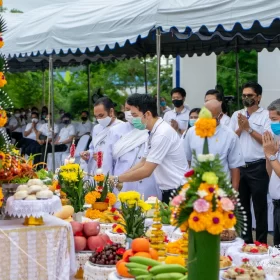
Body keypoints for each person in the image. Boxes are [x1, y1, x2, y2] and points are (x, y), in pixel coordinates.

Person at [109, 94, 188, 204]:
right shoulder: (152, 132)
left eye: (135, 115)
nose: (132, 118)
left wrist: (119, 179)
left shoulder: (162, 133)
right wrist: (118, 177)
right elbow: (143, 162)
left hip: (178, 191)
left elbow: (146, 170)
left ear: (147, 114)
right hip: (168, 190)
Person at [229, 81, 270, 244]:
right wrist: (240, 127)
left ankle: (261, 243)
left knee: (260, 208)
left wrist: (249, 128)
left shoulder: (266, 115)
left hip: (258, 166)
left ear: (258, 97)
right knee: (242, 208)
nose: (246, 98)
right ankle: (245, 242)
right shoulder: (237, 114)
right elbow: (231, 140)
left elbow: (267, 141)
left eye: (250, 95)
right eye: (244, 95)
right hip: (239, 167)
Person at [104, 101, 162, 202]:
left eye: (132, 110)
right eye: (127, 109)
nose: (129, 113)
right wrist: (107, 185)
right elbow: (108, 161)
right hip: (122, 185)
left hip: (149, 184)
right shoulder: (115, 130)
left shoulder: (153, 130)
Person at [184, 100, 244, 189]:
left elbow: (235, 167)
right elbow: (187, 160)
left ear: (220, 116)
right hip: (196, 189)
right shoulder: (192, 132)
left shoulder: (230, 136)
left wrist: (234, 193)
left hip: (220, 190)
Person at [80, 97, 122, 176]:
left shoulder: (122, 128)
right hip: (96, 169)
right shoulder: (96, 128)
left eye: (101, 115)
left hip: (113, 172)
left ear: (111, 111)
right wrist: (88, 154)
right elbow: (93, 148)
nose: (99, 119)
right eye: (96, 116)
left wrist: (105, 157)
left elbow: (124, 156)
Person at [262, 98, 280, 246]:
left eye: (274, 119)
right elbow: (271, 173)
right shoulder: (277, 140)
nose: (272, 124)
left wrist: (272, 156)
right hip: (276, 204)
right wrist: (268, 156)